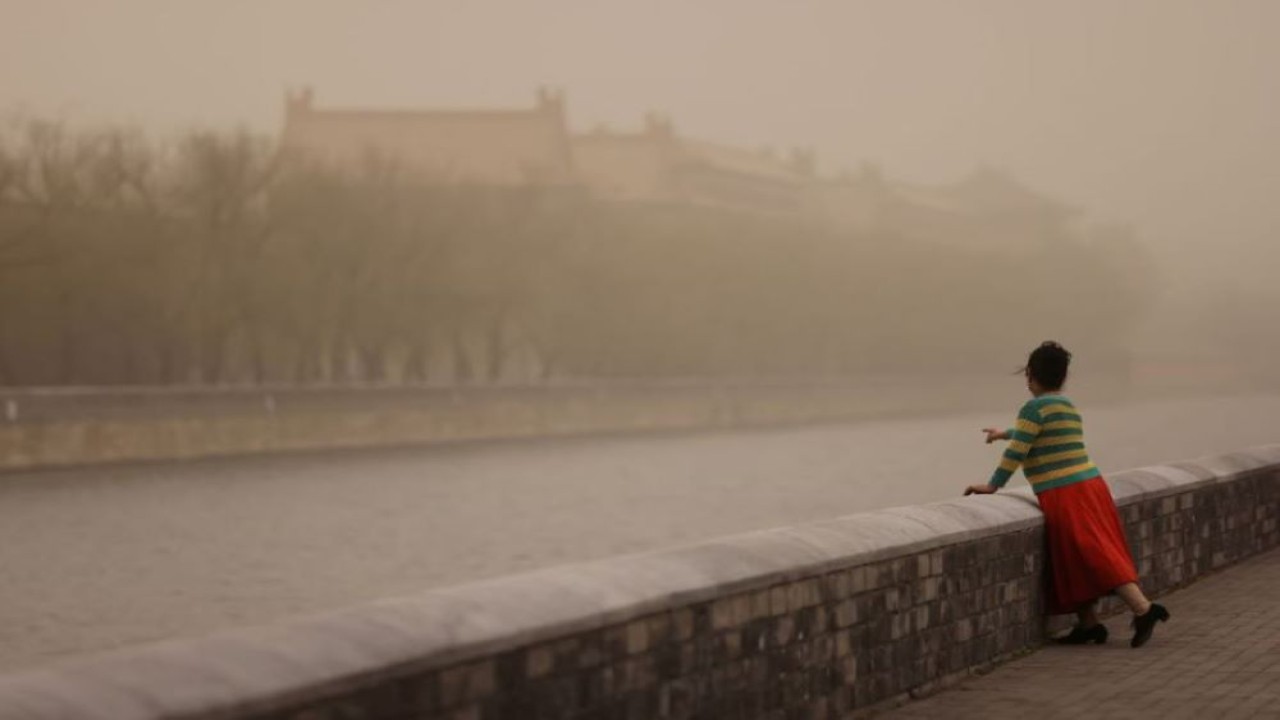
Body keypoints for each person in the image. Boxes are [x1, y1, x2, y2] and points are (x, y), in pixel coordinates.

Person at [964, 341, 1169, 648]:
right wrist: (1003, 433)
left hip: (1066, 491)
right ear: (1062, 376)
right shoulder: (1066, 406)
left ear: (1030, 375)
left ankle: (1143, 609)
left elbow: (1019, 450)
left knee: (1094, 552)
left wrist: (993, 485)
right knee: (1071, 557)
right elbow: (1035, 434)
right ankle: (1088, 625)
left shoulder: (1033, 408)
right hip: (1090, 485)